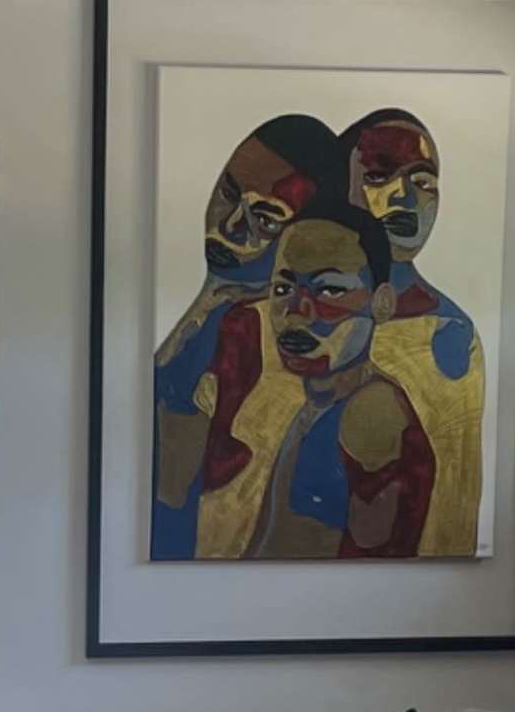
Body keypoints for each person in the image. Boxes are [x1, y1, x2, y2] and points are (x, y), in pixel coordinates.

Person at [194, 203, 457, 560]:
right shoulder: (322, 403)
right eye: (284, 289)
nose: (298, 312)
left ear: (381, 303)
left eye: (330, 290)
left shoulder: (371, 410)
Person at [151, 115, 341, 559]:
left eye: (266, 219)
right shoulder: (209, 308)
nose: (231, 226)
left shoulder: (249, 334)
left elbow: (177, 486)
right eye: (228, 195)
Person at [343, 106, 482, 556]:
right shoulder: (291, 321)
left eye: (423, 183)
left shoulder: (451, 332)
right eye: (379, 177)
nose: (405, 198)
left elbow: (455, 503)